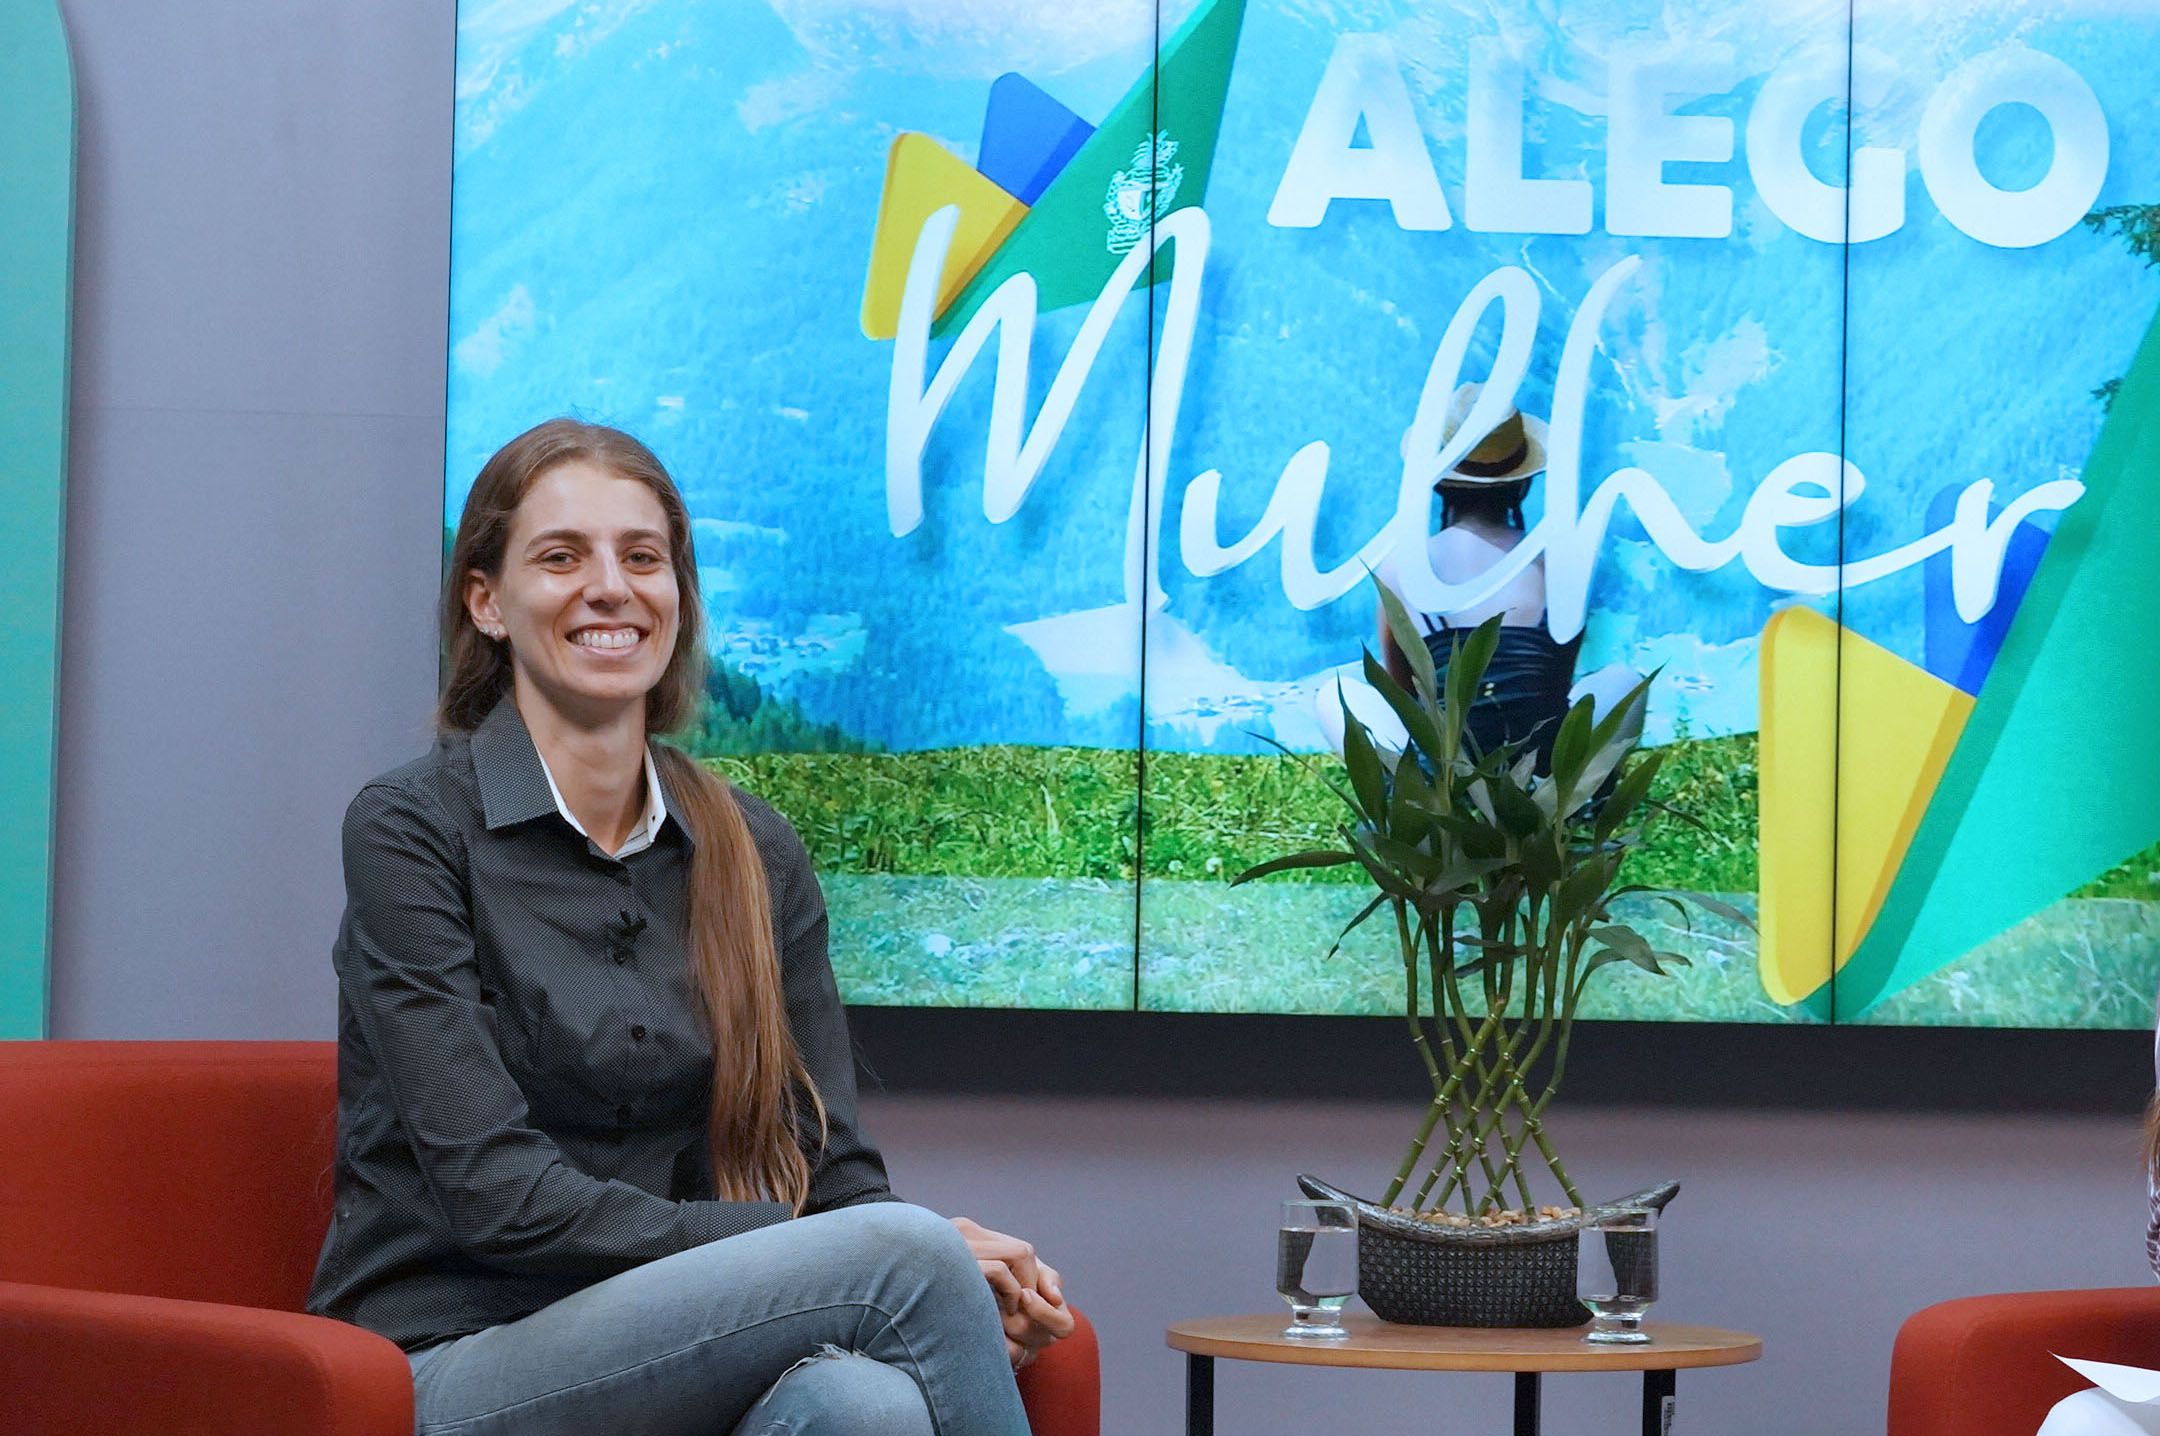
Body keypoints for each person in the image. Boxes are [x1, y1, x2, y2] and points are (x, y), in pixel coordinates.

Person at [307, 418, 1069, 1436]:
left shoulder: (756, 848)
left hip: (690, 1345)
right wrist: (839, 1250)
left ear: (677, 594)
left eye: (642, 557)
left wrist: (881, 1255)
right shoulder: (410, 829)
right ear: (485, 602)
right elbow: (499, 1195)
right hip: (456, 1356)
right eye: (561, 557)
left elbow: (835, 1175)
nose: (610, 587)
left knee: (864, 1405)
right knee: (913, 1253)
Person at [1365, 380, 1609, 773]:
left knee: (1337, 699)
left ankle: (1407, 797)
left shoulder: (1399, 567)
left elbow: (1401, 696)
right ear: (1523, 481)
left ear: (1439, 480)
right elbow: (1555, 685)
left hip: (1450, 772)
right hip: (1541, 767)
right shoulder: (1563, 563)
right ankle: (1583, 798)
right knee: (1619, 681)